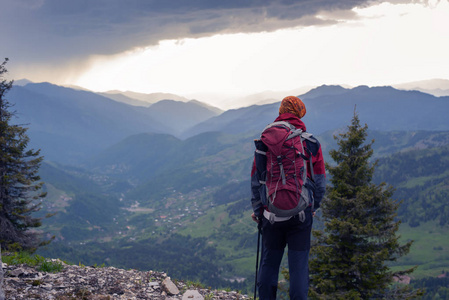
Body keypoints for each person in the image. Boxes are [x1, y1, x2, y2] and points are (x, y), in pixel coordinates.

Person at [250, 96, 326, 300]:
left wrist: (259, 211)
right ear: (300, 113)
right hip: (301, 214)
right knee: (299, 269)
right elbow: (319, 183)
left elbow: (256, 180)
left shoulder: (265, 141)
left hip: (271, 214)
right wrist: (312, 207)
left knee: (269, 264)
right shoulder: (310, 142)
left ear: (281, 111)